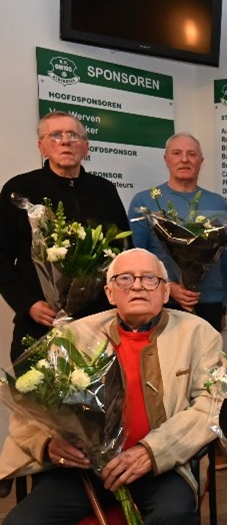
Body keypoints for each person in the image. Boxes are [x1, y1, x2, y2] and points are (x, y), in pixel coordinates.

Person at [0, 248, 223, 525]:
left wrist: (152, 451)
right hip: (81, 470)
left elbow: (210, 406)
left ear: (165, 292)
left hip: (158, 467)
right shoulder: (73, 335)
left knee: (176, 520)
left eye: (150, 279)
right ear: (109, 292)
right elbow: (31, 405)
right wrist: (48, 445)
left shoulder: (200, 333)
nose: (138, 285)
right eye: (126, 279)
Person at [0, 111, 130, 363]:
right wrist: (27, 304)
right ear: (42, 146)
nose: (65, 141)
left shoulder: (104, 190)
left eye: (73, 135)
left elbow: (124, 252)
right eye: (56, 135)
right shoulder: (19, 189)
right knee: (37, 400)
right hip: (40, 323)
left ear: (86, 146)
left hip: (98, 325)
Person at [127, 132, 227, 330]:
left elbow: (223, 258)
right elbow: (136, 257)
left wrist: (223, 306)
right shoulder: (144, 202)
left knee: (206, 360)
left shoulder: (217, 202)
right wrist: (169, 287)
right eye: (176, 153)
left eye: (191, 154)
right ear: (166, 159)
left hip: (209, 301)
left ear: (201, 161)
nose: (184, 159)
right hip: (162, 301)